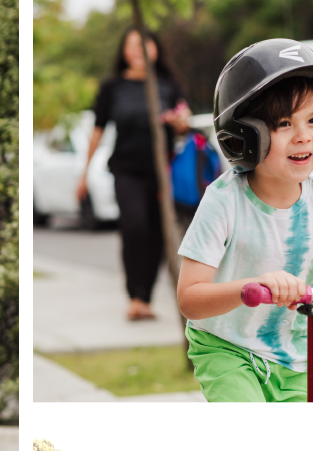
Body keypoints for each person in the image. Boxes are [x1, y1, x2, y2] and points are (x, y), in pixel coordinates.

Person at [178, 39, 313, 414]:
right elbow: (190, 298)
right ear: (245, 135)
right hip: (226, 346)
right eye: (283, 124)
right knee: (244, 423)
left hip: (298, 354)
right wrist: (251, 286)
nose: (304, 135)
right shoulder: (224, 200)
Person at [78, 28, 193, 321]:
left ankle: (145, 299)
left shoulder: (167, 85)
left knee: (156, 233)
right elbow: (98, 129)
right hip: (126, 170)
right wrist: (83, 173)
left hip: (161, 172)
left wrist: (178, 122)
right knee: (135, 227)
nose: (138, 49)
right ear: (124, 51)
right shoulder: (112, 86)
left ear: (155, 50)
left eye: (144, 44)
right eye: (131, 44)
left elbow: (184, 123)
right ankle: (133, 294)